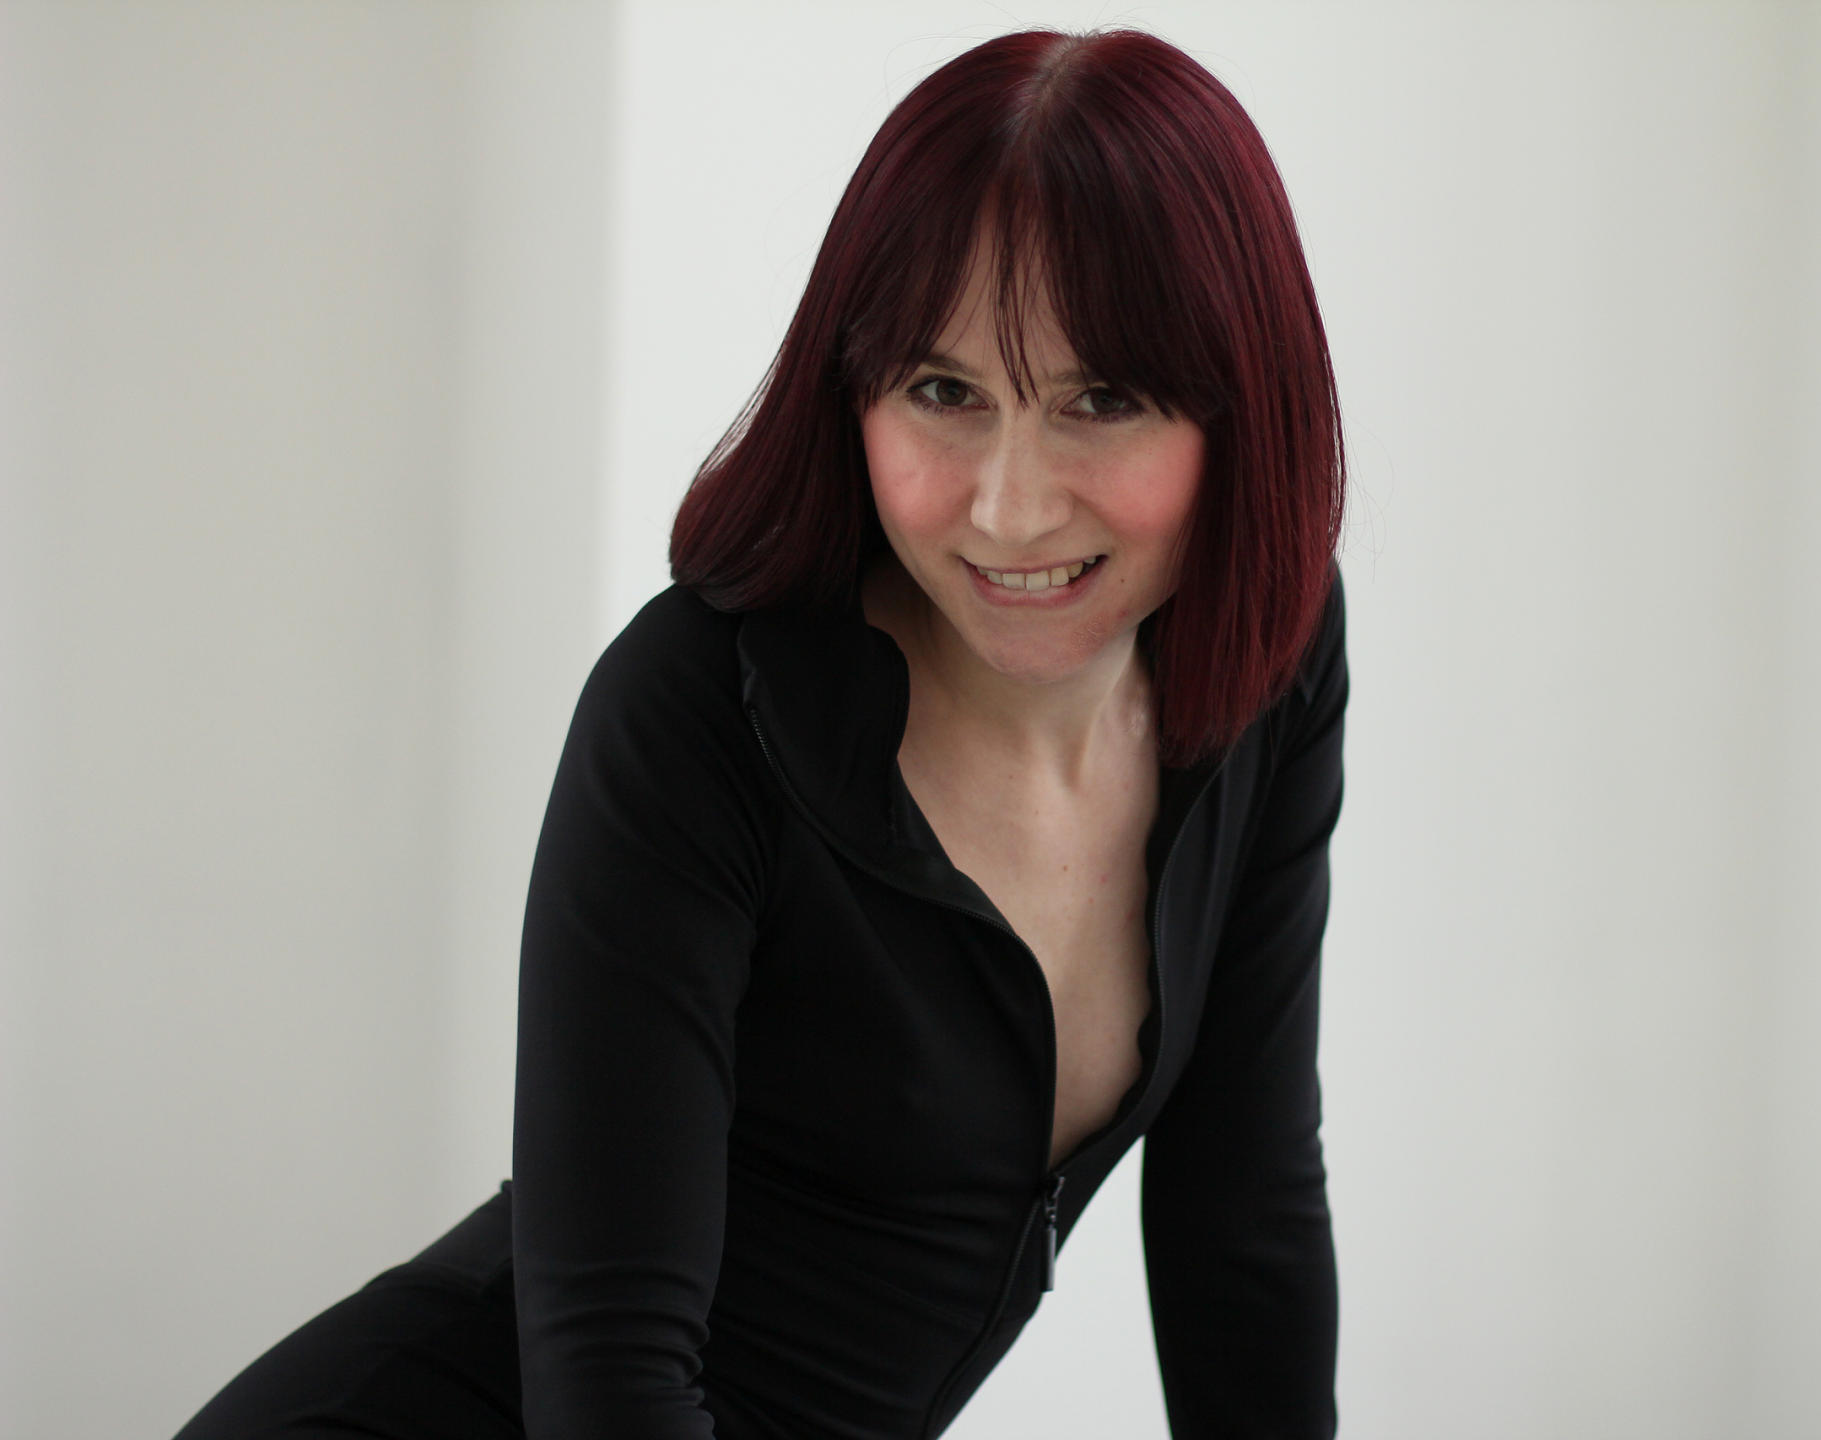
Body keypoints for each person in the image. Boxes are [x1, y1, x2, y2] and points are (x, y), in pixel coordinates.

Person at [173, 25, 1347, 1440]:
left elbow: (1243, 1219)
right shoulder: (697, 712)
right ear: (852, 392)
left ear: (1241, 410)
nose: (1010, 506)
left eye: (1101, 400)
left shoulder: (1262, 662)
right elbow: (614, 1376)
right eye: (944, 393)